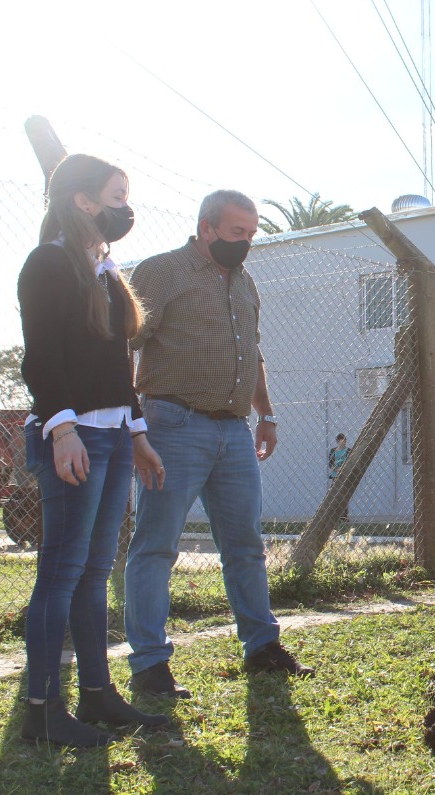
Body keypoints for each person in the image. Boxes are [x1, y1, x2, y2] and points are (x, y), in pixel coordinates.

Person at [124, 189, 313, 700]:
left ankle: (261, 647)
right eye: (237, 233)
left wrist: (266, 415)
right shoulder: (160, 272)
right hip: (172, 423)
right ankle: (149, 664)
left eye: (251, 235)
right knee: (157, 546)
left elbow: (251, 352)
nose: (245, 243)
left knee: (246, 547)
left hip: (233, 430)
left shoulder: (246, 282)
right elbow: (126, 342)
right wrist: (132, 422)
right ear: (207, 228)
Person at [17, 153, 169, 747]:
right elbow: (41, 359)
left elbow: (115, 367)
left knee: (94, 570)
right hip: (73, 435)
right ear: (83, 200)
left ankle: (98, 696)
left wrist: (137, 434)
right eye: (116, 193)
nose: (125, 206)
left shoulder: (103, 270)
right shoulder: (49, 264)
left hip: (110, 436)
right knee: (60, 573)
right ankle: (42, 710)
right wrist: (62, 430)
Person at [328, 433, 350, 520]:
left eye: (344, 441)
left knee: (344, 495)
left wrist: (343, 468)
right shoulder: (333, 451)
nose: (343, 443)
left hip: (345, 475)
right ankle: (333, 514)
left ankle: (344, 515)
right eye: (341, 441)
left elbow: (350, 461)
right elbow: (331, 463)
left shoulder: (348, 451)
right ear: (337, 442)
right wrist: (336, 469)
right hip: (335, 475)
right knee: (333, 494)